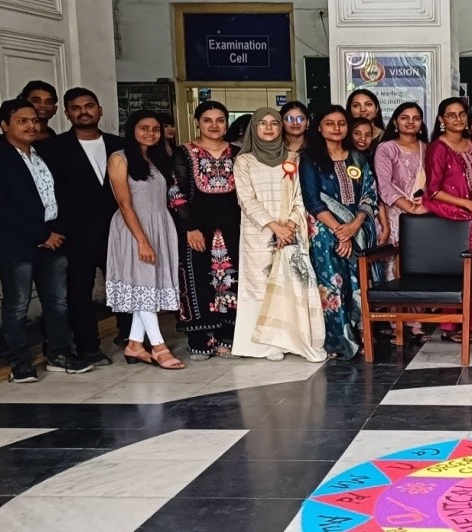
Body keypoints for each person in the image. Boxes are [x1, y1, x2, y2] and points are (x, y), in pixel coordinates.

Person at [0, 99, 95, 382]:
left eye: (34, 120)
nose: (31, 126)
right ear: (4, 125)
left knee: (57, 302)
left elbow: (62, 196)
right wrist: (43, 235)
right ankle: (19, 362)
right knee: (17, 305)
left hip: (54, 242)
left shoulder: (44, 154)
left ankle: (59, 354)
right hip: (16, 245)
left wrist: (58, 231)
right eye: (22, 121)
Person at [39, 87, 129, 365]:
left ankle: (130, 338)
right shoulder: (52, 148)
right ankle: (88, 347)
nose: (83, 112)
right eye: (76, 108)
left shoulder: (120, 145)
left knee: (125, 285)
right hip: (75, 233)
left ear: (99, 110)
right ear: (67, 114)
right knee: (79, 291)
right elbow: (48, 193)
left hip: (119, 230)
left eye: (89, 106)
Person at [231, 108, 327, 362]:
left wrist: (290, 226)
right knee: (261, 285)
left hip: (291, 231)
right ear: (254, 128)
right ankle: (265, 344)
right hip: (259, 232)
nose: (269, 128)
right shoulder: (244, 161)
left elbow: (301, 196)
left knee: (291, 285)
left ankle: (292, 340)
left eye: (274, 123)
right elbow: (246, 199)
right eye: (262, 123)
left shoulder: (293, 158)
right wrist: (275, 227)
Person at [105, 110, 186, 370]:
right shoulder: (119, 158)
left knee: (149, 285)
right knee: (143, 285)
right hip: (134, 228)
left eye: (155, 129)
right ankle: (159, 347)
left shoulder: (157, 159)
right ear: (132, 129)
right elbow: (124, 203)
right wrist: (142, 240)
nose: (150, 133)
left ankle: (135, 344)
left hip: (159, 225)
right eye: (144, 128)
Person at [301, 105, 380, 360]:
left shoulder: (357, 157)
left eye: (341, 123)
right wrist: (339, 231)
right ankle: (339, 341)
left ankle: (363, 332)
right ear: (319, 127)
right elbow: (312, 201)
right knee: (333, 284)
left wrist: (354, 225)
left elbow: (369, 193)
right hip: (325, 232)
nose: (336, 128)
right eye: (330, 123)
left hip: (357, 231)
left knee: (359, 281)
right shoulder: (311, 159)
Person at [424, 97, 472, 344]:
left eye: (461, 114)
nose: (457, 119)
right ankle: (451, 325)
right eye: (451, 115)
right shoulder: (438, 147)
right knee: (460, 263)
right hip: (449, 211)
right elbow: (433, 190)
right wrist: (468, 204)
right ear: (441, 119)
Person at [172, 101, 240, 360]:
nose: (214, 125)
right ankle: (200, 338)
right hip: (198, 228)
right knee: (198, 279)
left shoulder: (237, 152)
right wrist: (189, 227)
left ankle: (227, 336)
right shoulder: (184, 152)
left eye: (220, 120)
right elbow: (176, 193)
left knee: (231, 280)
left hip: (232, 227)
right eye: (208, 120)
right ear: (197, 122)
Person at [374, 102, 430, 280]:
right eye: (405, 118)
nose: (410, 122)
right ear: (395, 122)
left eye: (416, 118)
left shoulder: (427, 148)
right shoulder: (386, 148)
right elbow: (384, 186)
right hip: (394, 214)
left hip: (423, 212)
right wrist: (411, 208)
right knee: (393, 270)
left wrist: (424, 205)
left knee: (420, 266)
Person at [0, 81, 60, 146]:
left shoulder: (58, 140)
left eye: (49, 102)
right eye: (36, 101)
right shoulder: (3, 143)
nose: (43, 105)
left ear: (55, 109)